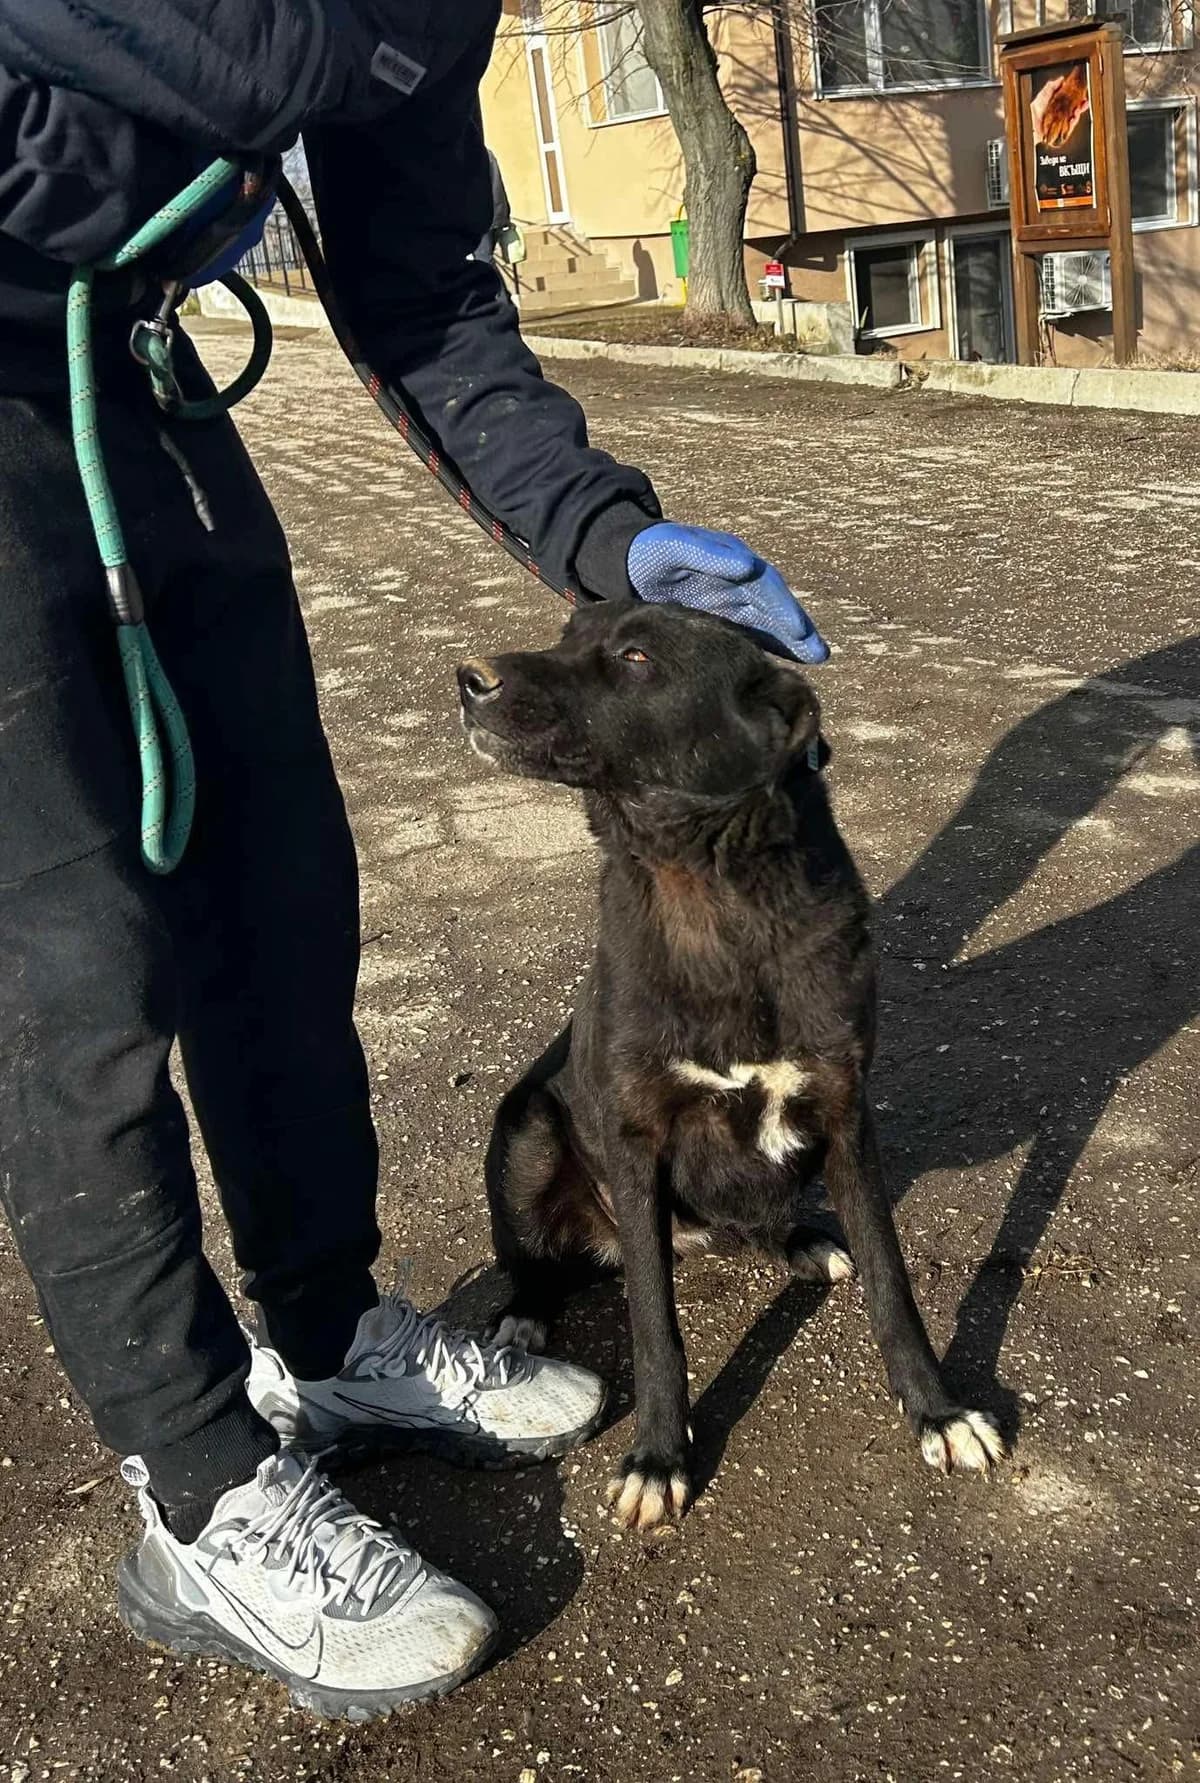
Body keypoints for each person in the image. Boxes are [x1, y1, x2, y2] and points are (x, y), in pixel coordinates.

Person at [0, 2, 829, 1720]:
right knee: (74, 970)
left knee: (281, 905)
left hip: (136, 388)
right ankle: (201, 1488)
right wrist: (147, 160)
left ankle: (323, 1337)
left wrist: (605, 533)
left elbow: (426, 293)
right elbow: (243, 73)